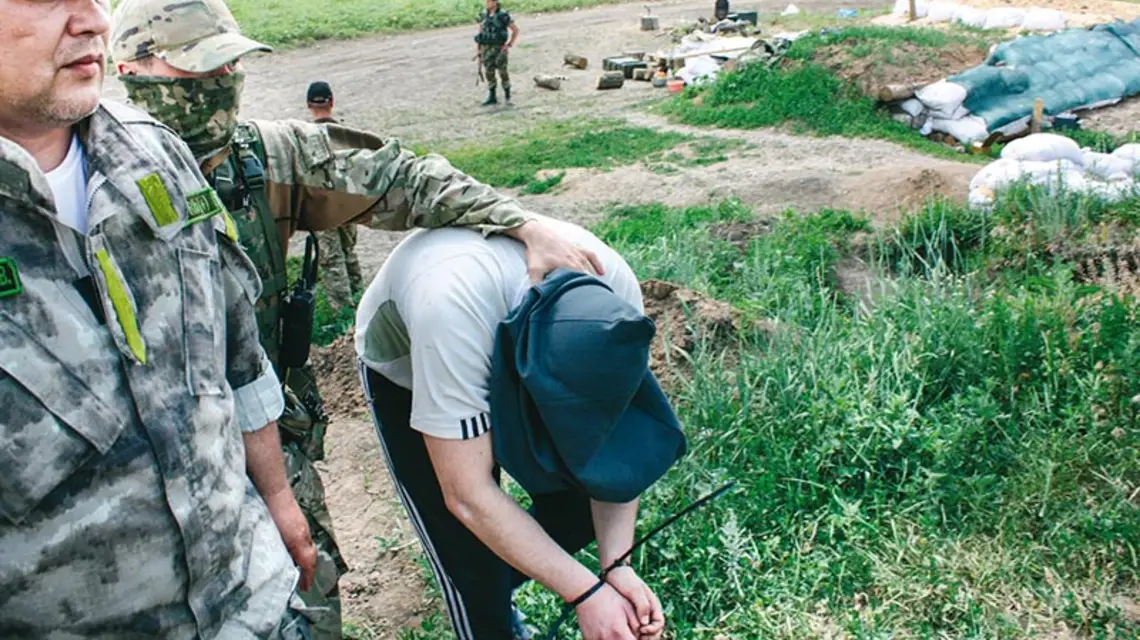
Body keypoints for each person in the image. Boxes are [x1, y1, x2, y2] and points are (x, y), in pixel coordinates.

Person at [109, 0, 603, 637]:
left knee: (307, 593)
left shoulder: (265, 157)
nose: (219, 85)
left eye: (227, 67)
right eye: (197, 71)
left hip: (267, 434)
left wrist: (522, 224)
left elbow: (401, 177)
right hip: (141, 466)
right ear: (133, 71)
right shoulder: (87, 185)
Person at [0, 0, 313, 637]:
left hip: (253, 603)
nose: (93, 21)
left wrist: (279, 498)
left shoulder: (153, 153)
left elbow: (236, 355)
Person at [355, 214, 685, 640]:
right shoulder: (449, 315)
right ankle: (485, 600)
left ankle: (497, 575)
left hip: (483, 321)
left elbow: (615, 450)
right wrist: (586, 594)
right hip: (412, 367)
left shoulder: (616, 295)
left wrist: (617, 566)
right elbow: (468, 495)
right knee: (465, 548)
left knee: (579, 503)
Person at [304, 79, 365, 314]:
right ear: (332, 102)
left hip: (321, 207)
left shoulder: (303, 137)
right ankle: (360, 300)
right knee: (349, 252)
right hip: (347, 203)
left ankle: (344, 313)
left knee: (331, 260)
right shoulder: (346, 136)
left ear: (309, 104)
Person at [474, 0, 518, 106]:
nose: (487, 3)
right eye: (486, 1)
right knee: (489, 72)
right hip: (486, 48)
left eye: (489, 1)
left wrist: (509, 44)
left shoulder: (502, 15)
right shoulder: (484, 15)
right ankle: (492, 96)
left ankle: (507, 95)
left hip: (499, 48)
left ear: (495, 2)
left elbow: (515, 30)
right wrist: (479, 49)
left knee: (503, 72)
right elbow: (480, 33)